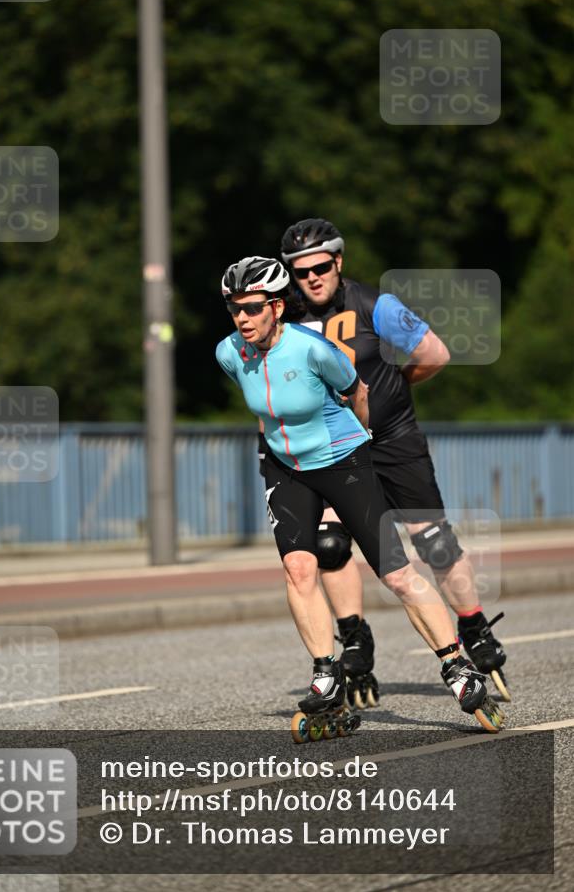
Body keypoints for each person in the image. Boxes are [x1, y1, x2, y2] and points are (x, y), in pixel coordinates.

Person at [216, 255, 504, 734]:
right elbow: (266, 407)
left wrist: (362, 448)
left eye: (251, 308)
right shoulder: (229, 353)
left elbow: (359, 392)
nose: (241, 319)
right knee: (301, 565)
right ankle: (326, 676)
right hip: (285, 467)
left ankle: (456, 663)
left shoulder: (313, 349)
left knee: (395, 573)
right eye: (234, 309)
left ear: (277, 307)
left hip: (342, 459)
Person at [278, 218, 510, 703]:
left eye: (321, 267)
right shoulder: (288, 322)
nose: (313, 278)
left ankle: (473, 627)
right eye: (301, 272)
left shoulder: (374, 304)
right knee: (329, 544)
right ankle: (356, 638)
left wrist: (397, 384)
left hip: (392, 438)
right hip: (334, 448)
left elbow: (436, 353)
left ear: (338, 262)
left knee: (435, 543)